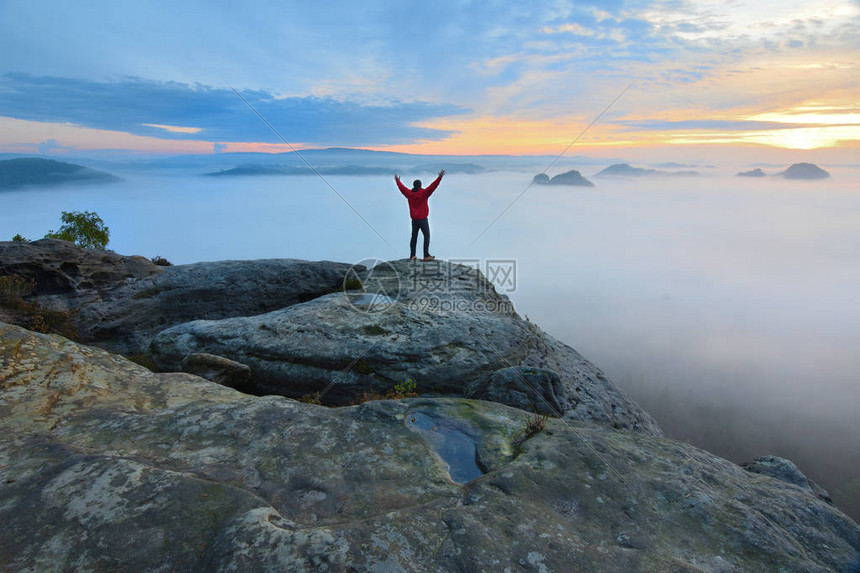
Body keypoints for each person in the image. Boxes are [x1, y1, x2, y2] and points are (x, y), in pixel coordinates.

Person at [395, 170, 445, 261]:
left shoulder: (409, 194)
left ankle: (412, 255)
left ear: (414, 186)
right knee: (426, 236)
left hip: (414, 220)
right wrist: (440, 178)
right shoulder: (423, 193)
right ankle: (426, 255)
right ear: (420, 186)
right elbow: (432, 187)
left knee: (414, 237)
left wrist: (397, 181)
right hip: (423, 220)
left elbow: (402, 188)